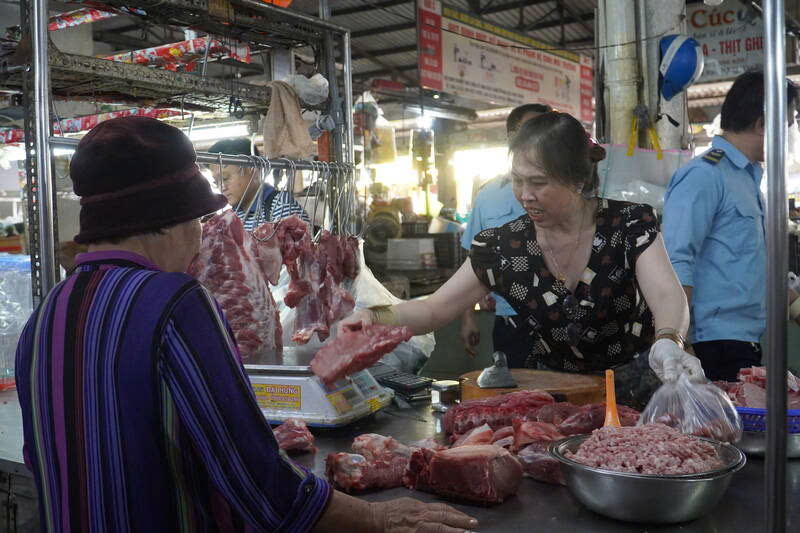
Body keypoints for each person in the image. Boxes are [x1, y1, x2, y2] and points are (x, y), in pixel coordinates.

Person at [15, 117, 476, 532]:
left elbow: (44, 460)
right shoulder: (174, 303)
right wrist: (376, 518)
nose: (199, 235)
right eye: (197, 219)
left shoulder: (47, 313)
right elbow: (254, 476)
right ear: (168, 223)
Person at [341, 112, 703, 409]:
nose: (525, 195)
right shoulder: (503, 247)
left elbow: (666, 295)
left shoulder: (629, 224)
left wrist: (669, 340)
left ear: (578, 180)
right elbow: (434, 310)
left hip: (640, 394)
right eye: (517, 181)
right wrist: (375, 317)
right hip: (555, 399)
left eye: (539, 183)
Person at [663, 70, 799, 382]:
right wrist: (677, 341)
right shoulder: (704, 176)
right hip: (711, 345)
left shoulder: (749, 182)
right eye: (787, 125)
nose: (789, 137)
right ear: (762, 124)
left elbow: (757, 268)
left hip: (744, 340)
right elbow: (676, 261)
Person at [460, 103, 552, 366]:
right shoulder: (488, 196)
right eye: (532, 130)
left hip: (563, 318)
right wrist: (468, 316)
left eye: (547, 130)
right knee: (514, 388)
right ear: (512, 137)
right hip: (511, 318)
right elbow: (473, 262)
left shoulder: (567, 191)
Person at [207, 137, 311, 229]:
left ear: (253, 170)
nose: (222, 187)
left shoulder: (281, 207)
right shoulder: (234, 215)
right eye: (216, 182)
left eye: (225, 178)